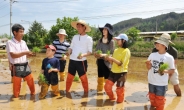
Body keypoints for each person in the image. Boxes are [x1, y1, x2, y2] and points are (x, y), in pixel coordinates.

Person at [146, 36, 175, 110]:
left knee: (160, 100)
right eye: (156, 43)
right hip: (151, 81)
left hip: (161, 83)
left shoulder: (169, 57)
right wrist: (148, 64)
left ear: (164, 45)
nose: (156, 44)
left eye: (158, 43)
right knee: (152, 98)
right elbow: (148, 68)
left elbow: (172, 70)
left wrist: (164, 71)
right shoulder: (152, 55)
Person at [6, 24, 35, 98]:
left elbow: (27, 53)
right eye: (21, 32)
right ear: (15, 32)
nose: (23, 33)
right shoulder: (10, 42)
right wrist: (25, 53)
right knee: (17, 87)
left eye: (23, 32)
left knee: (31, 82)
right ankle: (15, 102)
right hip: (16, 66)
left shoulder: (24, 42)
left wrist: (30, 54)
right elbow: (13, 55)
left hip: (25, 65)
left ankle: (33, 95)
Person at [65, 20, 93, 93]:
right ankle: (67, 92)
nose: (78, 28)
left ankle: (86, 93)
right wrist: (68, 52)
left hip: (82, 61)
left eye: (79, 27)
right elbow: (71, 47)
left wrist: (83, 55)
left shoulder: (89, 38)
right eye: (77, 27)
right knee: (69, 77)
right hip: (72, 60)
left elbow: (90, 51)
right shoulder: (75, 37)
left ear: (84, 27)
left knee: (83, 78)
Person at [104, 34, 131, 103]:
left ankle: (120, 104)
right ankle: (112, 98)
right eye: (117, 40)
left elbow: (121, 64)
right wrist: (109, 59)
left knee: (119, 90)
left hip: (121, 73)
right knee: (107, 87)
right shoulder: (116, 50)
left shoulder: (126, 51)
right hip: (113, 72)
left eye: (118, 40)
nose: (117, 41)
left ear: (124, 41)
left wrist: (112, 59)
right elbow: (113, 63)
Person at [94, 23, 115, 92]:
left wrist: (102, 55)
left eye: (105, 29)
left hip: (107, 63)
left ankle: (108, 93)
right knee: (100, 78)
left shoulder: (111, 42)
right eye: (103, 29)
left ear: (109, 31)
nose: (103, 30)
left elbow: (112, 53)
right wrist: (96, 53)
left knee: (107, 79)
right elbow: (96, 50)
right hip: (100, 62)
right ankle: (99, 92)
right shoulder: (100, 41)